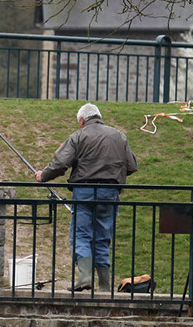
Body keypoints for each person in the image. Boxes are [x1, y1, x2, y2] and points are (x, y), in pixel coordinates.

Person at [37, 102, 137, 292]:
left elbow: (60, 164)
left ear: (82, 121)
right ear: (99, 117)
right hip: (110, 193)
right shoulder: (119, 136)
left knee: (81, 234)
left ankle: (85, 278)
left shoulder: (78, 136)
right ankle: (105, 286)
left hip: (83, 192)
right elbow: (131, 166)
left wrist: (43, 175)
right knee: (103, 237)